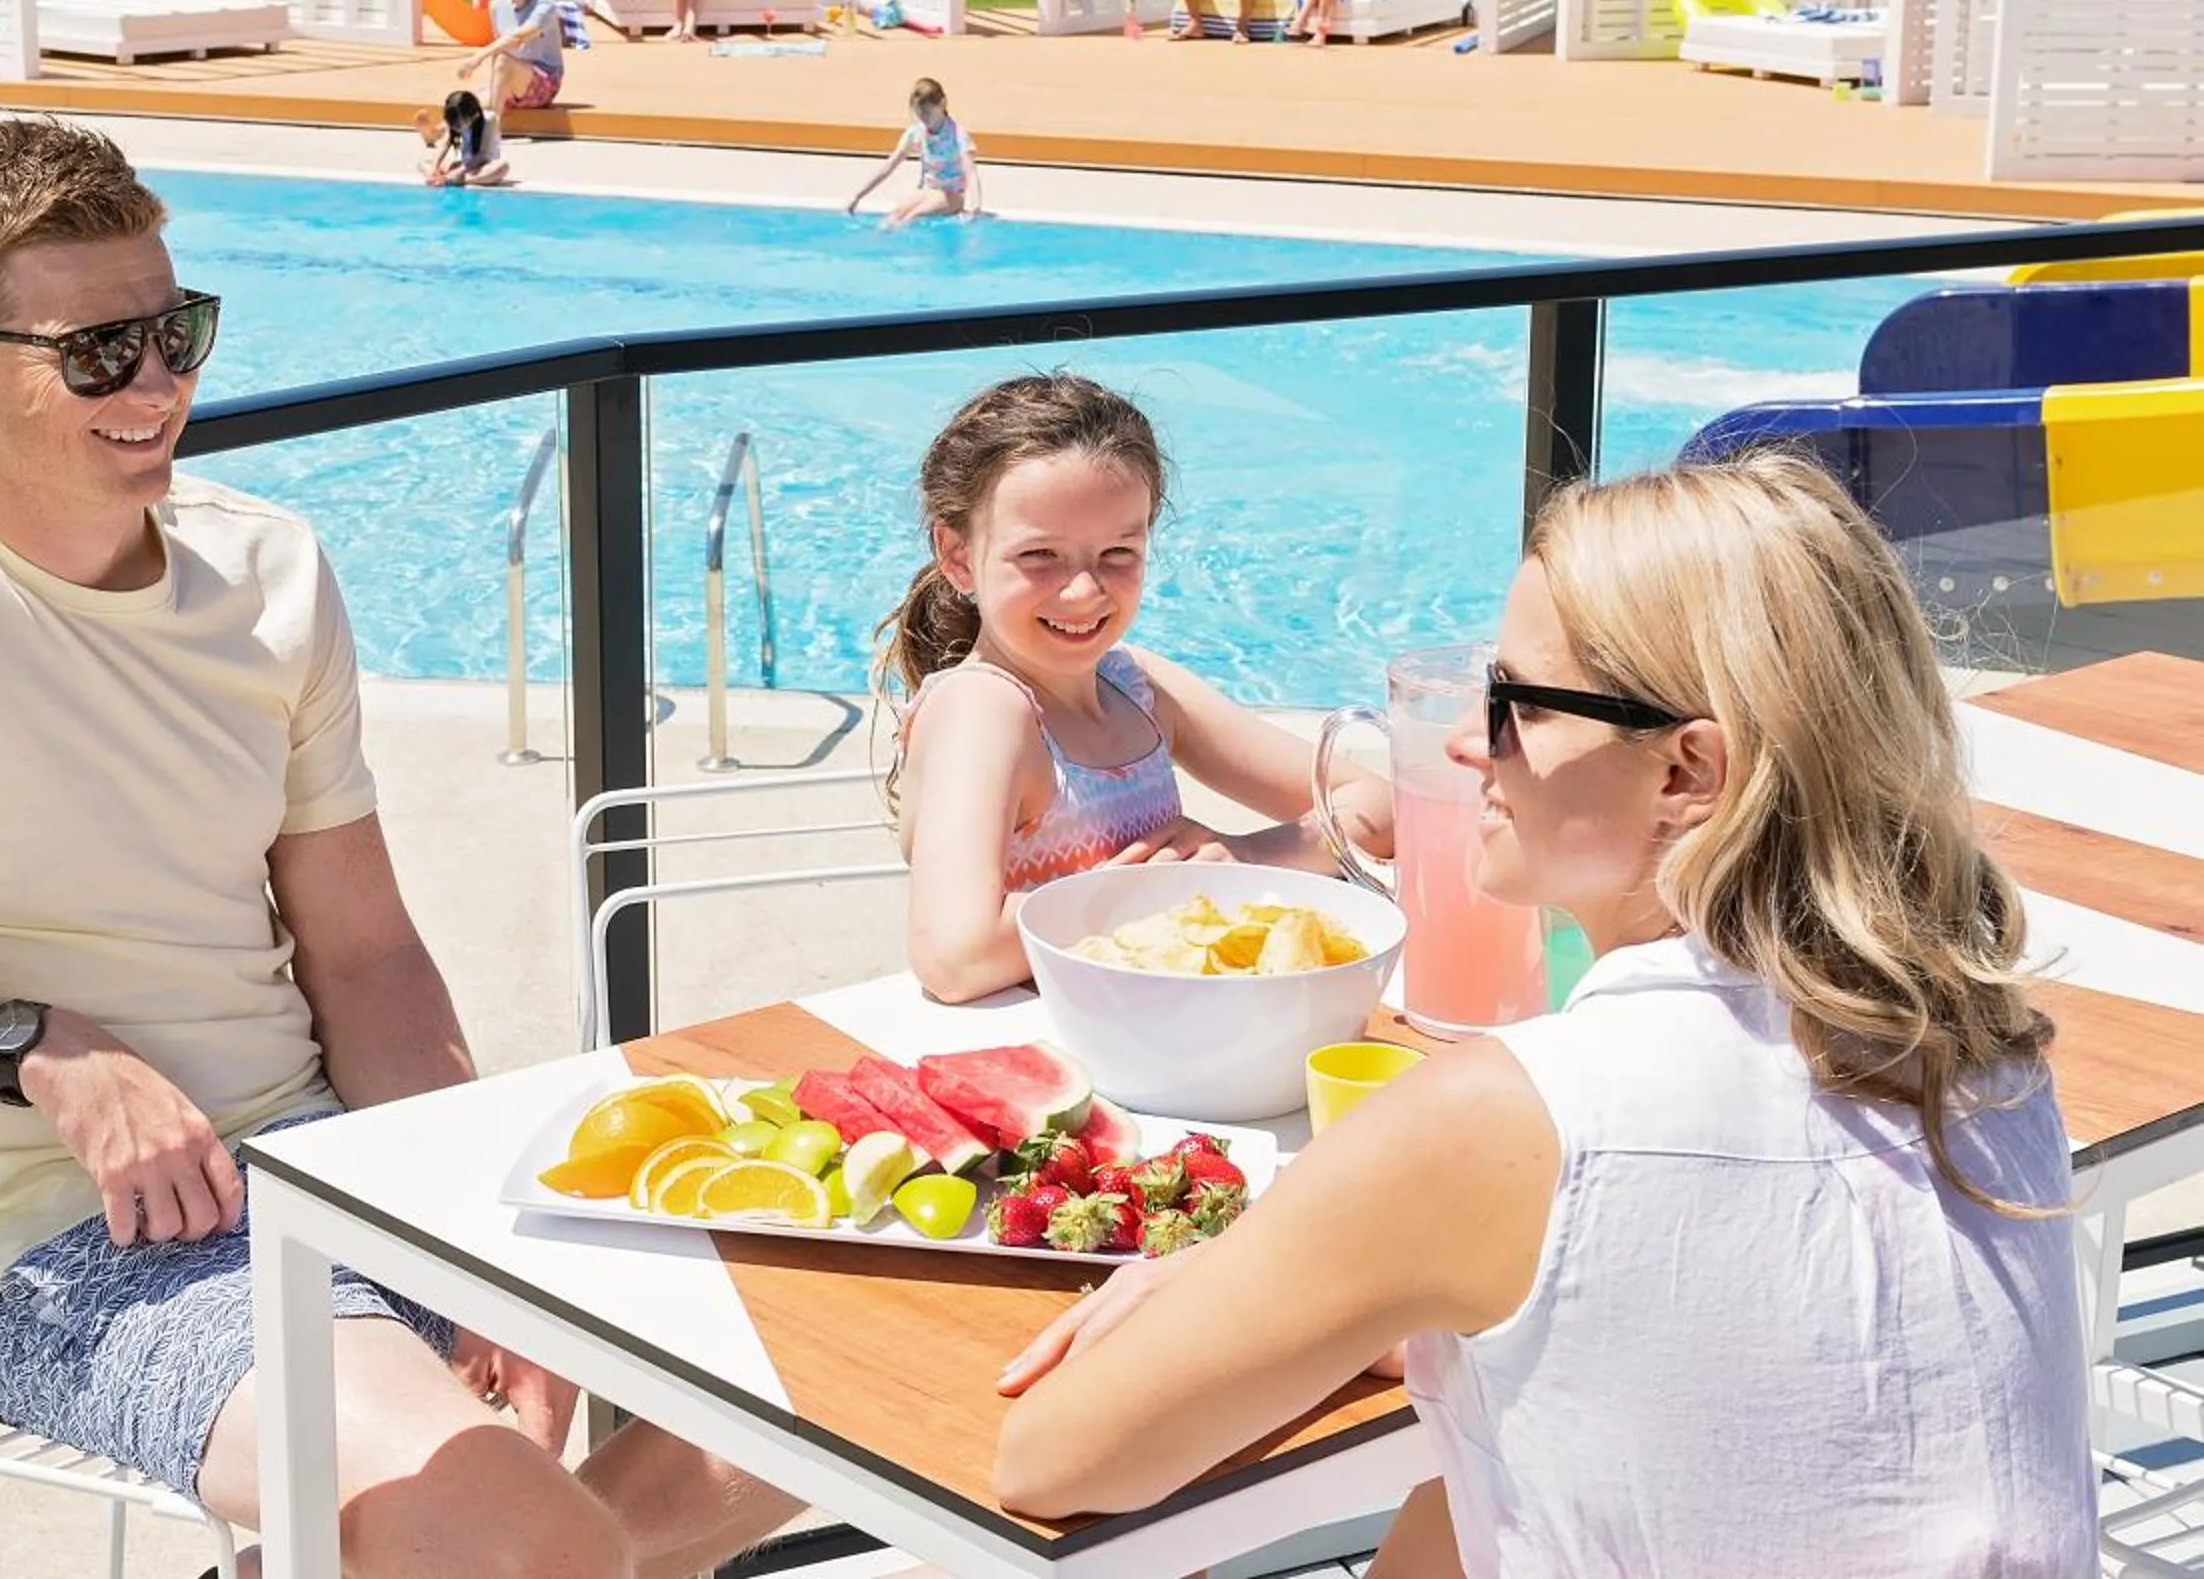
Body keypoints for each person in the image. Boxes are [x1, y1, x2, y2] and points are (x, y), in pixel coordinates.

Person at [0, 119, 797, 1578]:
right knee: (513, 1538)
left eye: (175, 330)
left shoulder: (270, 569)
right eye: (95, 353)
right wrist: (40, 1048)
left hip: (344, 1161)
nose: (156, 386)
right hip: (88, 1254)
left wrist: (470, 1236)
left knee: (827, 1362)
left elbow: (368, 951)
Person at [991, 450, 2091, 1576]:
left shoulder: (1510, 1116)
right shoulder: (1981, 1047)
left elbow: (1054, 1459)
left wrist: (1278, 1283)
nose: (1469, 738)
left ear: (1685, 773)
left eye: (1514, 703)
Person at [874, 373, 1393, 1004]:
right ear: (957, 556)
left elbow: (1385, 806)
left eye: (1118, 552)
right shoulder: (983, 710)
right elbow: (953, 958)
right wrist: (1147, 897)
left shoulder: (1135, 686)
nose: (1083, 591)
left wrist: (1243, 853)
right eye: (1040, 556)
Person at [846, 79, 981, 230]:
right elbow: (889, 166)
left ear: (942, 104)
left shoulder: (957, 135)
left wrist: (975, 209)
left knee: (913, 217)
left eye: (928, 113)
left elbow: (971, 174)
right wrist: (857, 196)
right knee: (894, 215)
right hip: (929, 191)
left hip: (954, 195)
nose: (924, 119)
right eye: (919, 115)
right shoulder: (916, 133)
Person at [468, 0, 565, 117]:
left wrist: (477, 57)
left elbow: (517, 38)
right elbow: (500, 50)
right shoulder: (496, 6)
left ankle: (492, 131)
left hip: (544, 82)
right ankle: (440, 133)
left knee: (503, 60)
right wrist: (497, 85)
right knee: (468, 101)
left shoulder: (545, 5)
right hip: (511, 80)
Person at [419, 89, 509, 189]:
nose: (455, 128)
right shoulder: (455, 119)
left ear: (475, 116)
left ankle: (458, 179)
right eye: (452, 124)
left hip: (483, 166)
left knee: (503, 167)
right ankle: (448, 178)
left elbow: (480, 157)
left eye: (458, 126)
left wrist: (454, 174)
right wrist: (434, 168)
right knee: (424, 164)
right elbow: (444, 145)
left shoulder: (489, 120)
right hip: (465, 166)